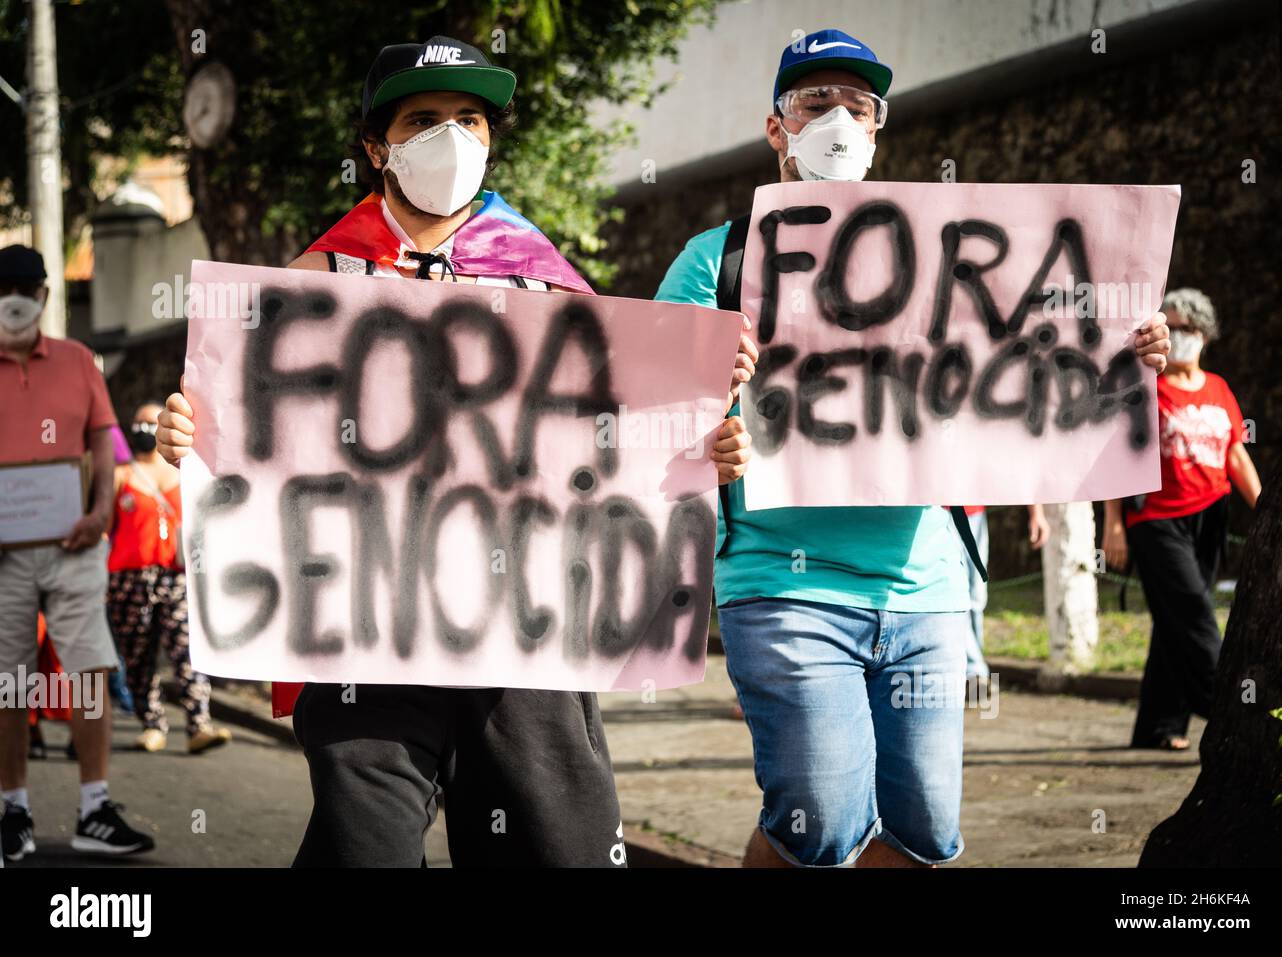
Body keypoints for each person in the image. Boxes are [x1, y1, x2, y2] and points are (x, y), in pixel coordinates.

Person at [156, 33, 749, 867]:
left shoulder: (549, 283)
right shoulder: (315, 278)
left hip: (524, 637)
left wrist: (701, 439)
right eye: (424, 119)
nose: (453, 138)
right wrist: (187, 433)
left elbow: (616, 435)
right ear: (376, 147)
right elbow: (244, 433)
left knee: (553, 849)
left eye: (471, 118)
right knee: (366, 849)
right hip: (371, 637)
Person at [655, 28, 1172, 868]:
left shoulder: (942, 256)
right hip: (785, 590)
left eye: (858, 107)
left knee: (926, 833)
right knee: (818, 820)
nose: (838, 122)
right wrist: (707, 427)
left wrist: (1120, 345)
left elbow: (1034, 354)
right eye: (813, 103)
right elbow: (643, 422)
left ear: (878, 129)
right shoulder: (717, 262)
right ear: (774, 127)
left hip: (927, 589)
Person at [0, 244, 155, 860]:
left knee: (89, 671)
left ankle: (95, 809)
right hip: (4, 557)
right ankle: (13, 811)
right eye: (3, 287)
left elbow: (102, 441)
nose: (13, 299)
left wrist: (98, 512)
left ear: (42, 295)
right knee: (10, 683)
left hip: (75, 544)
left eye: (24, 288)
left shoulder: (76, 361)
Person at [1102, 288, 1259, 751]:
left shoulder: (1219, 389)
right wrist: (1112, 524)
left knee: (1174, 620)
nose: (1181, 335)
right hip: (1156, 520)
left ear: (1205, 335)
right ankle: (1231, 715)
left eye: (1188, 327)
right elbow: (1115, 457)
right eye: (1172, 326)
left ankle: (1158, 726)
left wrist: (1267, 509)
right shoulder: (1145, 388)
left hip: (1211, 517)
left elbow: (1236, 455)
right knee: (1194, 614)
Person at [108, 402, 231, 755]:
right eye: (138, 423)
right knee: (138, 656)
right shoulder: (121, 475)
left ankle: (198, 725)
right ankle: (152, 725)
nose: (144, 429)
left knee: (187, 650)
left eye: (151, 422)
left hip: (175, 577)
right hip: (129, 581)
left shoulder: (185, 472)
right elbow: (105, 527)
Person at [954, 505, 1051, 683]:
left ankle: (971, 667)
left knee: (977, 597)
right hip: (941, 515)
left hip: (975, 514)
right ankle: (975, 669)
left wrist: (1036, 513)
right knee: (957, 595)